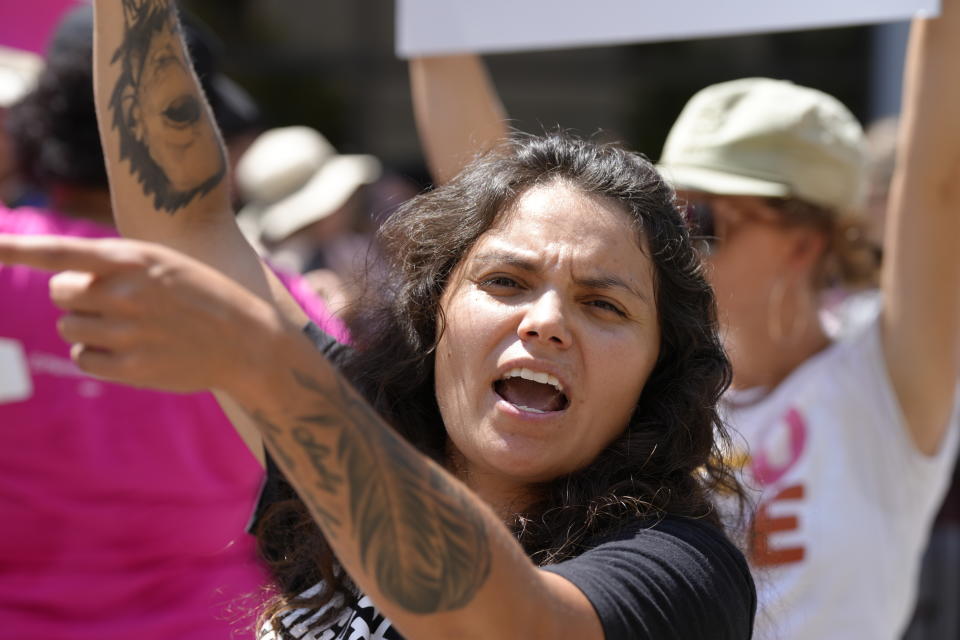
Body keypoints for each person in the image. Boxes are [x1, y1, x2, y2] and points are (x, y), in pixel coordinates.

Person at [0, 1, 758, 638]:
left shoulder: (680, 568)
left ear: (661, 365)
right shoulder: (355, 429)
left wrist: (269, 368)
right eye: (505, 280)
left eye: (604, 304)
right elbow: (188, 222)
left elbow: (507, 625)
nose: (546, 321)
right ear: (435, 314)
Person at [407, 3, 960, 639]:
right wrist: (432, 23)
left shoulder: (886, 385)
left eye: (702, 220)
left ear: (805, 242)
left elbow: (939, 185)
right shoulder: (639, 374)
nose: (671, 240)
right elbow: (486, 189)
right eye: (669, 213)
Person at [0, 7, 345, 639]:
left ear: (40, 119)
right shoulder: (280, 303)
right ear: (198, 136)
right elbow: (361, 455)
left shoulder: (10, 258)